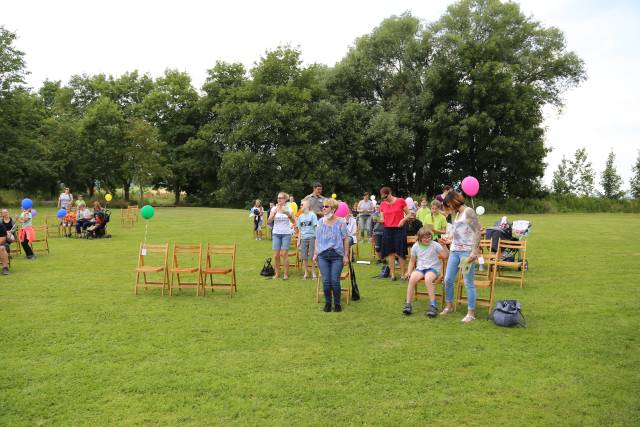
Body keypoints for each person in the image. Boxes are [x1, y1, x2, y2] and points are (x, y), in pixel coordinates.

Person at [441, 191, 482, 323]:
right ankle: (449, 305)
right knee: (448, 280)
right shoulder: (457, 214)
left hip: (466, 253)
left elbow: (477, 231)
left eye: (449, 205)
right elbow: (458, 233)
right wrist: (448, 240)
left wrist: (474, 251)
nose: (449, 208)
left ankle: (471, 313)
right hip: (454, 252)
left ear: (454, 201)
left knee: (468, 283)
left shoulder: (468, 211)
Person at [402, 227, 448, 316]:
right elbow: (412, 261)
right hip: (421, 268)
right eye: (424, 238)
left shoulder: (435, 244)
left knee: (428, 279)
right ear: (419, 238)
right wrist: (409, 271)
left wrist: (443, 245)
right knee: (412, 278)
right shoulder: (416, 246)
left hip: (433, 268)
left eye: (429, 237)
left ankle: (433, 305)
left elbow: (445, 256)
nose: (427, 239)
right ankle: (408, 304)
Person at [313, 198, 349, 312]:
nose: (323, 208)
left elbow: (345, 239)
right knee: (326, 281)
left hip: (337, 255)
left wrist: (346, 255)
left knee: (334, 280)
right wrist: (315, 253)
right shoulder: (320, 222)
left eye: (326, 206)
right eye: (323, 206)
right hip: (322, 255)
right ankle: (328, 303)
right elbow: (317, 239)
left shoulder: (341, 222)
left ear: (333, 209)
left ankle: (337, 303)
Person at [379, 186, 410, 281]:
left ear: (390, 193)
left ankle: (403, 274)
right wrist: (381, 220)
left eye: (386, 196)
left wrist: (403, 220)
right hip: (388, 230)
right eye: (383, 197)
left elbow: (409, 214)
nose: (385, 199)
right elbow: (382, 218)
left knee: (400, 252)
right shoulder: (382, 204)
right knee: (390, 253)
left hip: (399, 229)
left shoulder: (400, 201)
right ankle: (392, 275)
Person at [267, 192, 295, 280]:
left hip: (286, 234)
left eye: (281, 198)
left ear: (285, 199)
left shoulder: (289, 208)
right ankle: (277, 273)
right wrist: (274, 213)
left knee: (284, 254)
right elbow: (268, 222)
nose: (279, 199)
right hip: (276, 233)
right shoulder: (274, 208)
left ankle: (286, 274)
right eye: (278, 198)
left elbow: (294, 221)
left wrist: (288, 214)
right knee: (276, 255)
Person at [296, 200, 318, 279]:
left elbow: (316, 228)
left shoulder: (312, 215)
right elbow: (300, 230)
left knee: (312, 256)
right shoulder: (300, 217)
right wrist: (299, 240)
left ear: (307, 206)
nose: (300, 206)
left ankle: (313, 272)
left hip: (312, 237)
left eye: (302, 205)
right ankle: (306, 272)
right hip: (303, 238)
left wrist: (316, 240)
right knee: (304, 256)